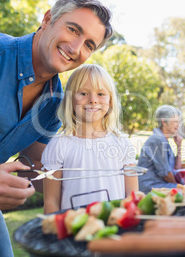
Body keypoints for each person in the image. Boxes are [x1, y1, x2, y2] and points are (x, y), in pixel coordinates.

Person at [0, 0, 113, 256]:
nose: (76, 47)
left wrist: (95, 176)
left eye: (89, 44)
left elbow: (35, 166)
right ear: (48, 19)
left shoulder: (54, 104)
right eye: (73, 29)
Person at [42, 64, 138, 214]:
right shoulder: (59, 145)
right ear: (70, 100)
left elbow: (132, 197)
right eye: (83, 93)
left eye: (100, 94)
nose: (93, 100)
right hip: (74, 231)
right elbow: (51, 202)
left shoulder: (122, 143)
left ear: (111, 100)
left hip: (115, 229)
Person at [137, 105, 183, 193]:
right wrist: (178, 186)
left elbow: (176, 168)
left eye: (178, 121)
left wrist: (179, 147)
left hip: (159, 184)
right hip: (150, 186)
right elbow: (166, 174)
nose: (178, 125)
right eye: (174, 121)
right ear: (164, 122)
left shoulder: (163, 140)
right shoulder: (157, 140)